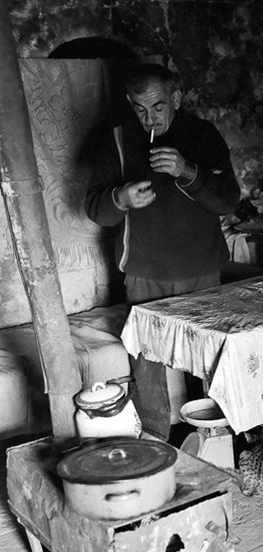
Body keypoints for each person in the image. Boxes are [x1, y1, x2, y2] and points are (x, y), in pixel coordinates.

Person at [85, 63, 241, 440]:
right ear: (129, 103)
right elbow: (94, 208)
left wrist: (188, 171)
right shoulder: (119, 140)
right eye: (139, 108)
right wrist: (120, 198)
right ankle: (155, 441)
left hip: (200, 268)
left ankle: (216, 439)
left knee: (208, 361)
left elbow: (228, 200)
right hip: (144, 269)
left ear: (176, 97)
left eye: (157, 106)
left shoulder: (202, 135)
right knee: (147, 368)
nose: (148, 118)